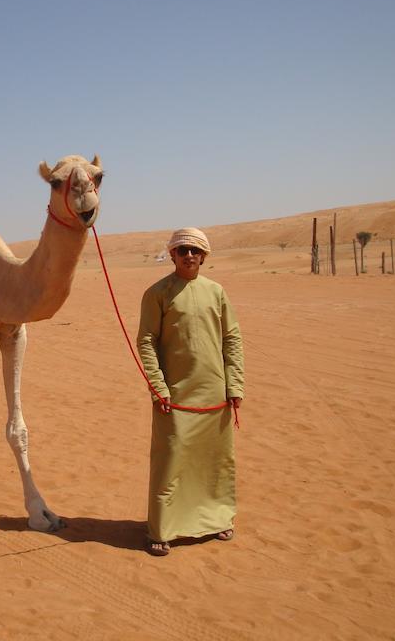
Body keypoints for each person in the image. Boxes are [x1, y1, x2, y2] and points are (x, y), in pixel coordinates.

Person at [136, 227, 245, 556]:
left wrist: (234, 384)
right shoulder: (158, 293)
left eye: (195, 251)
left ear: (204, 256)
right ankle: (163, 529)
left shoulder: (217, 292)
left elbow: (232, 340)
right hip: (175, 397)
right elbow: (146, 342)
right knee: (171, 463)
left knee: (214, 462)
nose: (188, 256)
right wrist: (159, 388)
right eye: (182, 250)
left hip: (215, 394)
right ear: (171, 255)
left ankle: (216, 520)